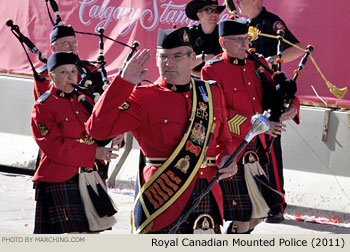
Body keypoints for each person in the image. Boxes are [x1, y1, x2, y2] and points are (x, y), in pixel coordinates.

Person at [85, 27, 237, 234]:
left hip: (206, 192)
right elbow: (97, 130)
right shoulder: (143, 97)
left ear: (193, 58)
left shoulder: (210, 92)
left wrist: (228, 156)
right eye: (163, 57)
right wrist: (123, 82)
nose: (169, 63)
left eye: (177, 56)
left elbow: (224, 138)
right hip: (164, 197)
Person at [201, 18, 300, 233]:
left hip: (257, 150)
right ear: (223, 42)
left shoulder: (258, 63)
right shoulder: (212, 70)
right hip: (232, 148)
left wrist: (293, 106)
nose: (246, 45)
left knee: (260, 213)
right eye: (239, 41)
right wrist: (259, 125)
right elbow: (221, 113)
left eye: (247, 39)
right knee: (243, 218)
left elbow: (280, 88)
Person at [31, 52, 118, 233]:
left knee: (92, 234)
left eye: (73, 71)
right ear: (51, 75)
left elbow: (100, 127)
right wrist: (93, 153)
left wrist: (116, 134)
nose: (71, 77)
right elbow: (54, 146)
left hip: (90, 175)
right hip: (60, 176)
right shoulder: (43, 106)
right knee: (74, 236)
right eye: (63, 72)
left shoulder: (85, 99)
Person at [236, 0, 303, 223]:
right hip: (243, 96)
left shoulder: (271, 22)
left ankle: (276, 205)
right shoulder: (238, 23)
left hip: (267, 94)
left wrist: (273, 60)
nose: (235, 3)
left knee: (270, 152)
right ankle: (247, 201)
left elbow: (296, 48)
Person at [33, 24, 124, 178]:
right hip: (61, 159)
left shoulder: (92, 71)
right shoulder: (44, 77)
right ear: (53, 48)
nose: (71, 47)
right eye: (65, 43)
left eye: (74, 42)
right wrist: (92, 152)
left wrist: (115, 132)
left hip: (93, 159)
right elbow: (53, 113)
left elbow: (105, 106)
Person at [185, 0, 225, 77]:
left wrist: (194, 73)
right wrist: (204, 57)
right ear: (199, 15)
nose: (213, 14)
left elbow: (225, 67)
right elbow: (182, 65)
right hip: (192, 84)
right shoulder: (190, 34)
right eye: (209, 10)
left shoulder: (224, 35)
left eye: (216, 11)